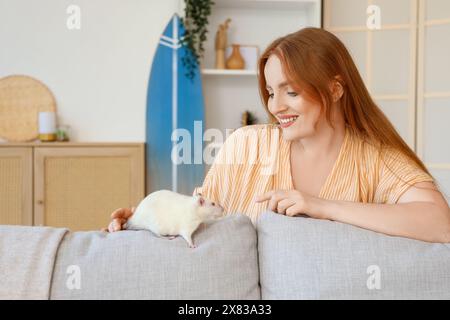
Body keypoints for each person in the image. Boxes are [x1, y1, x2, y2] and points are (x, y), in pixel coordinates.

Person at [105, 28, 450, 243]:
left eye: (291, 92)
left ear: (335, 89)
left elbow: (439, 223)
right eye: (271, 92)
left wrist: (323, 207)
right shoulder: (245, 145)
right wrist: (141, 219)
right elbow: (197, 218)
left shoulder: (374, 159)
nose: (276, 106)